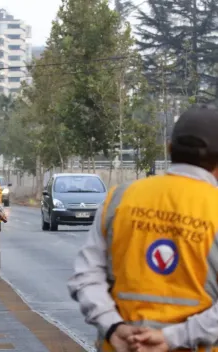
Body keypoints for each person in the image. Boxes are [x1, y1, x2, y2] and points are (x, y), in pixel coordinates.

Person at [67, 104, 218, 352]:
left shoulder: (120, 198)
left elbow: (85, 277)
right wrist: (171, 338)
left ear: (169, 148)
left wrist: (114, 327)